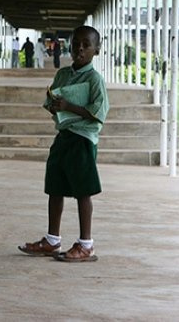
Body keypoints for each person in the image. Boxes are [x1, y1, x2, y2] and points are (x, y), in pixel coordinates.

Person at [18, 25, 109, 262]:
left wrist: (69, 107)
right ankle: (52, 239)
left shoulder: (94, 80)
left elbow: (98, 113)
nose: (80, 48)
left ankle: (86, 244)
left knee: (83, 191)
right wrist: (54, 105)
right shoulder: (63, 75)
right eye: (76, 42)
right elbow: (54, 99)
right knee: (55, 187)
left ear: (96, 50)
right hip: (64, 135)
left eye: (86, 45)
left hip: (83, 139)